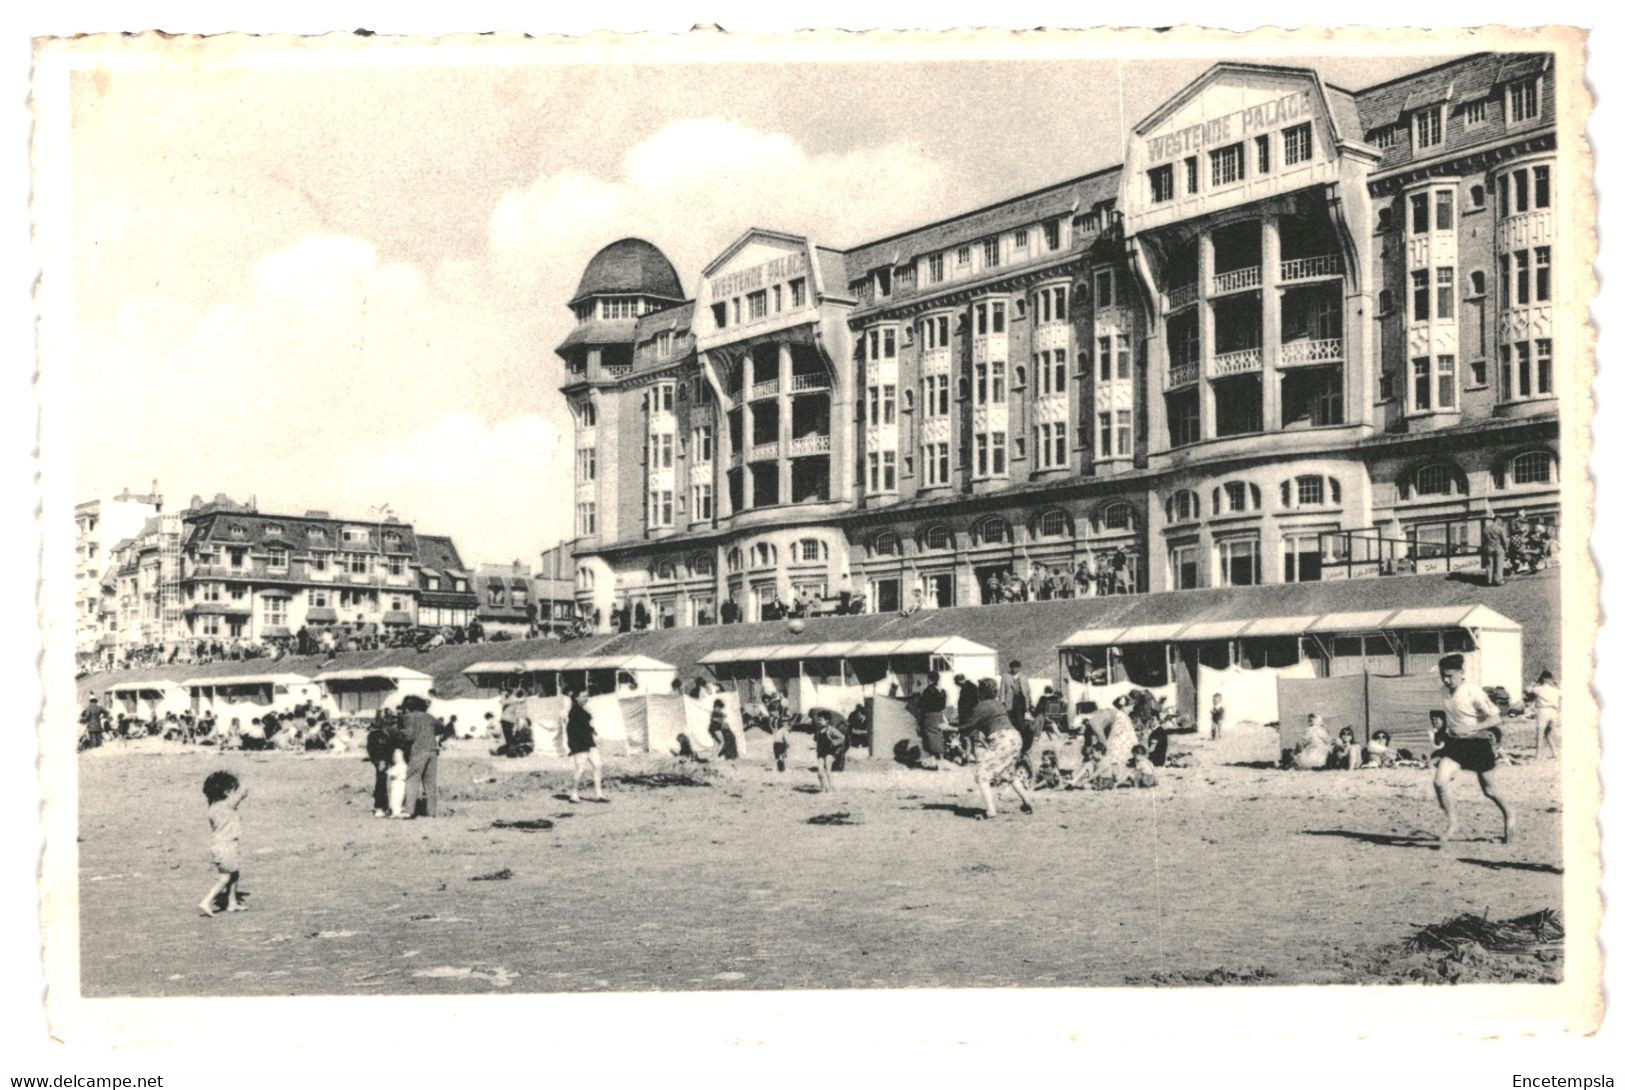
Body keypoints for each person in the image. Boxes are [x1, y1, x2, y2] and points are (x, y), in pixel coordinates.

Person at [1434, 652, 1514, 843]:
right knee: (1439, 782)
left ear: (1461, 673)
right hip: (1456, 745)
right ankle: (1453, 822)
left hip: (1478, 744)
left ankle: (1510, 814)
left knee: (1489, 791)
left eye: (1450, 676)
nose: (1446, 680)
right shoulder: (1444, 692)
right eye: (1443, 676)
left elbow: (1496, 718)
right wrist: (1444, 731)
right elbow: (1454, 717)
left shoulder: (1472, 691)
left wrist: (1471, 728)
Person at [961, 678, 1035, 819]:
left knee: (982, 776)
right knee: (1008, 774)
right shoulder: (999, 705)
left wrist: (950, 728)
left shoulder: (982, 706)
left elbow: (968, 726)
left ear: (981, 692)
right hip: (1015, 738)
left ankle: (991, 810)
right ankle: (1027, 801)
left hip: (1002, 740)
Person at [198, 770, 248, 917]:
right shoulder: (227, 805)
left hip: (219, 846)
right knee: (225, 878)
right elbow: (245, 790)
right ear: (227, 792)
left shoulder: (212, 807)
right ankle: (206, 901)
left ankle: (232, 903)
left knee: (234, 873)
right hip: (227, 847)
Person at [397, 695, 440, 819]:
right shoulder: (429, 717)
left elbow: (410, 736)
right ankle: (431, 812)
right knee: (430, 783)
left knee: (412, 780)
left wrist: (400, 732)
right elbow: (441, 728)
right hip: (432, 750)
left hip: (418, 751)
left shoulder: (410, 717)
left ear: (408, 708)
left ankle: (409, 810)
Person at [566, 689, 606, 804]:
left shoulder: (582, 710)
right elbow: (572, 730)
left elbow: (585, 726)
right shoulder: (574, 712)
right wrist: (573, 746)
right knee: (581, 769)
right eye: (583, 696)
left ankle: (599, 795)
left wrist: (592, 730)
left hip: (589, 742)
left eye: (587, 696)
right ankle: (574, 795)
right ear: (576, 698)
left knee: (598, 765)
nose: (586, 698)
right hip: (579, 744)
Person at [916, 670, 948, 770]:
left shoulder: (928, 690)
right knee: (938, 735)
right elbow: (943, 705)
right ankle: (941, 758)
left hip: (929, 715)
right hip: (939, 714)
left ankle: (934, 761)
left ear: (929, 679)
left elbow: (921, 704)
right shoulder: (942, 691)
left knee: (930, 736)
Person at [812, 710, 846, 793]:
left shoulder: (831, 730)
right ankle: (823, 788)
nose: (819, 721)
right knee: (820, 771)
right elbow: (816, 738)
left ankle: (830, 787)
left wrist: (834, 743)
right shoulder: (818, 730)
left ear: (827, 721)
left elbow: (842, 737)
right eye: (818, 720)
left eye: (821, 720)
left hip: (830, 752)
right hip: (821, 753)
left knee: (827, 769)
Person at [1531, 670, 1561, 759]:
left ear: (1543, 679)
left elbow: (1528, 689)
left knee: (1540, 734)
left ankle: (1538, 755)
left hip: (1543, 711)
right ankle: (1555, 752)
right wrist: (1556, 684)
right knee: (1549, 733)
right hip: (1554, 712)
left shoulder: (1538, 689)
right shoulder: (1556, 690)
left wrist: (1535, 682)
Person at [1482, 513, 1509, 587]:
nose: (1501, 522)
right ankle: (1498, 580)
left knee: (1489, 564)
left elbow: (1484, 540)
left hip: (1488, 548)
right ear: (1498, 519)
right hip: (1498, 547)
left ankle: (1489, 581)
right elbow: (1504, 540)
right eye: (1501, 521)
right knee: (1499, 565)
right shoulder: (1500, 528)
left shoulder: (1485, 529)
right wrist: (1506, 549)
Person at [386, 746, 408, 817]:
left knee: (395, 798)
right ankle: (400, 810)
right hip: (402, 784)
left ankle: (396, 812)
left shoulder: (399, 766)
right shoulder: (405, 765)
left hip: (397, 784)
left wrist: (388, 771)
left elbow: (392, 774)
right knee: (400, 798)